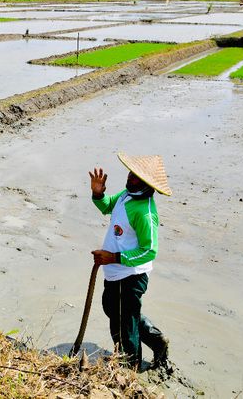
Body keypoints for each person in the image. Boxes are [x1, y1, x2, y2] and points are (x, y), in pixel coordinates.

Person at [88, 153, 171, 370]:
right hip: (114, 270)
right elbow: (107, 206)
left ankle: (129, 368)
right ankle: (155, 340)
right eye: (131, 173)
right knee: (112, 309)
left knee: (124, 325)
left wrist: (113, 257)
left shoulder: (145, 213)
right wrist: (98, 194)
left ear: (147, 184)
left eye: (136, 177)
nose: (130, 178)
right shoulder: (127, 195)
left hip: (131, 276)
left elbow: (149, 251)